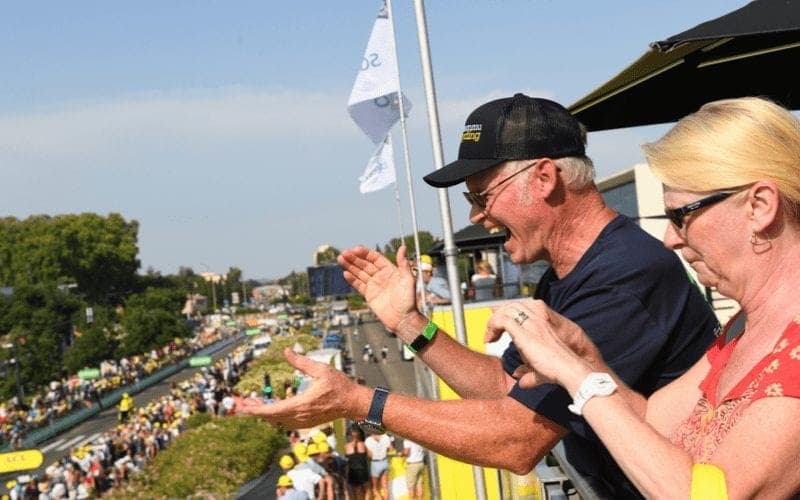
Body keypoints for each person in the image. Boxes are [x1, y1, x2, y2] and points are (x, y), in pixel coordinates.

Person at [233, 93, 719, 498]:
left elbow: (518, 439)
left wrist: (360, 403)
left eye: (481, 197)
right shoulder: (569, 274)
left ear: (545, 179)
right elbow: (507, 391)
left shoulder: (625, 276)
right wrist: (411, 325)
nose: (476, 217)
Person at [487, 96, 800, 498]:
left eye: (681, 215)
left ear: (759, 205)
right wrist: (587, 360)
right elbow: (653, 420)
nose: (670, 238)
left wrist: (574, 373)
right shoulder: (744, 326)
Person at [364, 430, 394, 500]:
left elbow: (370, 455)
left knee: (375, 488)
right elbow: (391, 448)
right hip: (384, 462)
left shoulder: (368, 440)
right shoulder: (385, 437)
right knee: (385, 487)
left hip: (375, 464)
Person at [344, 425, 370, 500]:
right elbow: (370, 455)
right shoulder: (363, 444)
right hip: (363, 470)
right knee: (367, 490)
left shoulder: (346, 446)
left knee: (357, 492)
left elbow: (347, 460)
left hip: (353, 471)